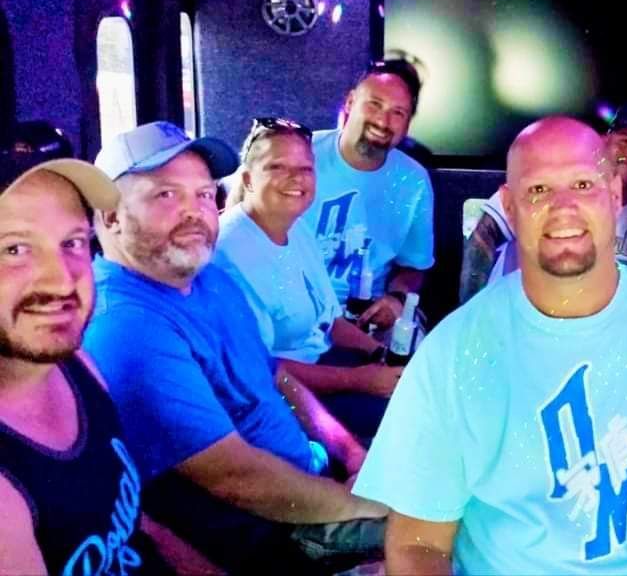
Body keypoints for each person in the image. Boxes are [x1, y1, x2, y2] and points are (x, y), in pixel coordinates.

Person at [354, 117, 627, 575]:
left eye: (583, 184)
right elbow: (418, 542)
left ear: (615, 195)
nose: (563, 207)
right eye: (539, 190)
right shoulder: (451, 352)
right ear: (509, 206)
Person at [83, 121, 386, 572]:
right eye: (166, 195)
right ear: (109, 216)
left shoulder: (208, 277)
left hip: (315, 472)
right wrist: (358, 503)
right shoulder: (127, 325)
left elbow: (275, 377)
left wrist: (348, 450)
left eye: (204, 195)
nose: (194, 212)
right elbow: (236, 478)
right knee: (459, 525)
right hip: (283, 526)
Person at [0, 122, 179, 574]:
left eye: (73, 242)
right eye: (15, 248)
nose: (62, 279)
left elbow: (138, 532)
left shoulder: (75, 363)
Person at [215, 118, 402, 439]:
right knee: (407, 423)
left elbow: (330, 321)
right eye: (277, 167)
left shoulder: (297, 228)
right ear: (247, 179)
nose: (295, 179)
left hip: (325, 364)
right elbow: (264, 370)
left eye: (305, 169)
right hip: (280, 398)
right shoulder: (229, 254)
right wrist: (360, 379)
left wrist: (379, 355)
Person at [459, 103, 627, 302]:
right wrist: (472, 313)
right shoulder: (544, 181)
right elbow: (484, 235)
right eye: (625, 140)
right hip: (510, 320)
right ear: (603, 141)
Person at [301, 59, 434, 330]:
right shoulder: (299, 154)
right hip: (292, 308)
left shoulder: (414, 181)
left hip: (365, 316)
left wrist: (396, 299)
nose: (383, 121)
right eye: (374, 104)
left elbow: (414, 265)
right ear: (350, 103)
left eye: (398, 112)